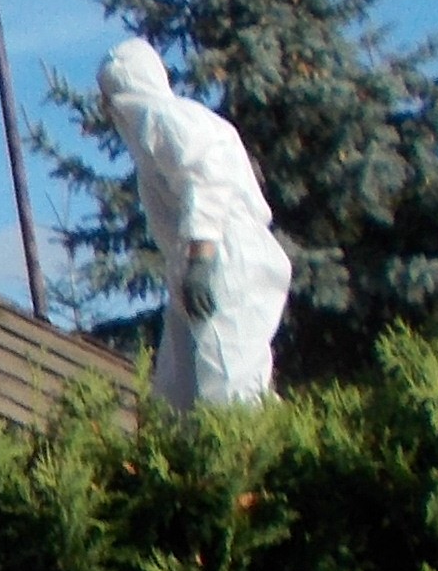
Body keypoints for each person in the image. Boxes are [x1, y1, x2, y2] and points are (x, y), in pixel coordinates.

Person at [96, 37, 293, 411]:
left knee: (230, 383)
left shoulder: (166, 119)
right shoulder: (156, 137)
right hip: (195, 262)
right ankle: (188, 461)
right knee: (177, 394)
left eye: (110, 94)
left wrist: (202, 257)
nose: (107, 107)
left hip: (226, 256)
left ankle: (244, 459)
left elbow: (207, 179)